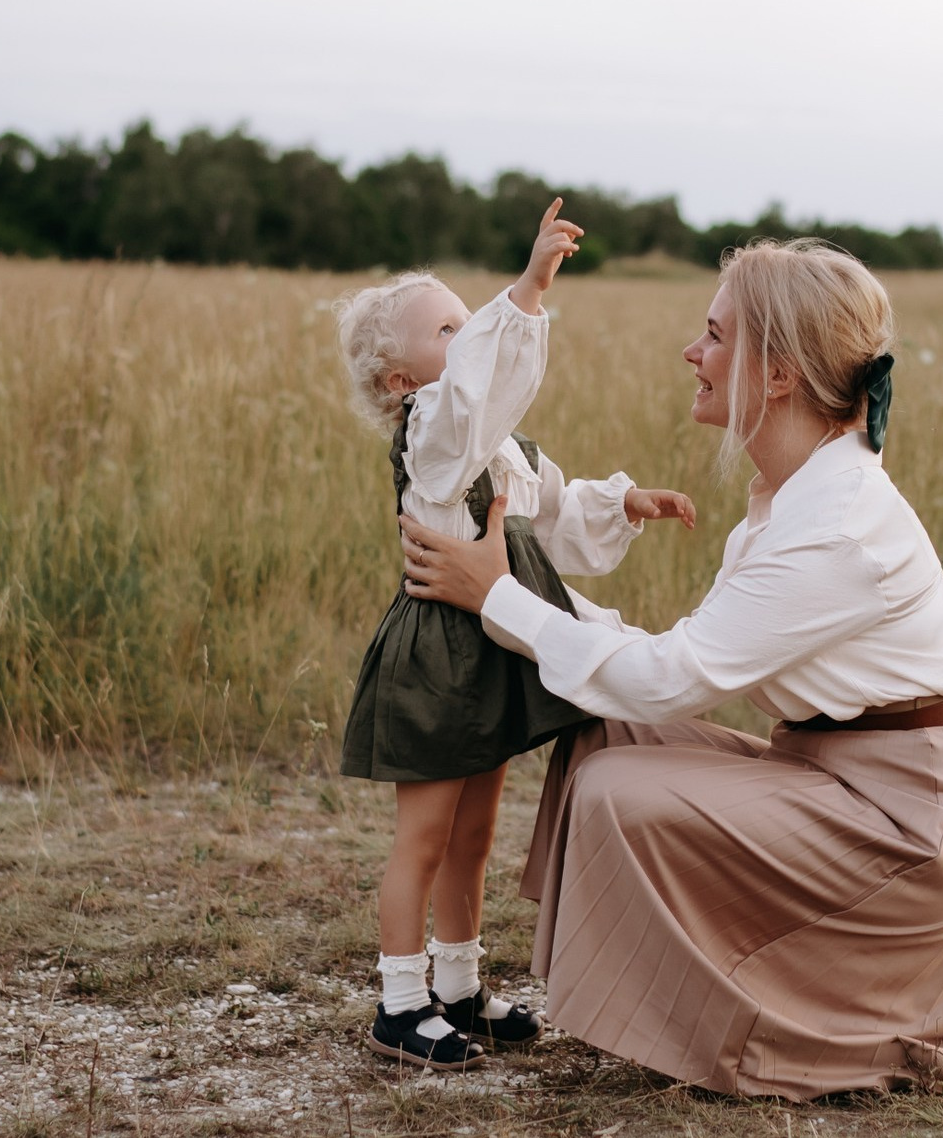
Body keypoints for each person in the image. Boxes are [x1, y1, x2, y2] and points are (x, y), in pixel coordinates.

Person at [395, 238, 943, 1100]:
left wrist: (497, 598)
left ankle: (798, 1018)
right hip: (840, 780)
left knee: (620, 786)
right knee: (598, 728)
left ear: (776, 375)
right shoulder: (791, 495)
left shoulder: (835, 528)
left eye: (715, 336)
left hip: (912, 834)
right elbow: (655, 671)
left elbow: (665, 678)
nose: (693, 353)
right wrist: (507, 589)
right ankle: (673, 992)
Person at [337, 199, 697, 1072]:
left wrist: (622, 502)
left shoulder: (498, 446)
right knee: (423, 836)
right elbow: (472, 393)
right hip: (439, 658)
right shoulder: (434, 438)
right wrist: (527, 293)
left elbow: (552, 516)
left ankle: (458, 986)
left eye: (469, 321)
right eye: (447, 329)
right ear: (400, 384)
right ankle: (398, 1002)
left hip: (498, 648)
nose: (468, 337)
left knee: (474, 834)